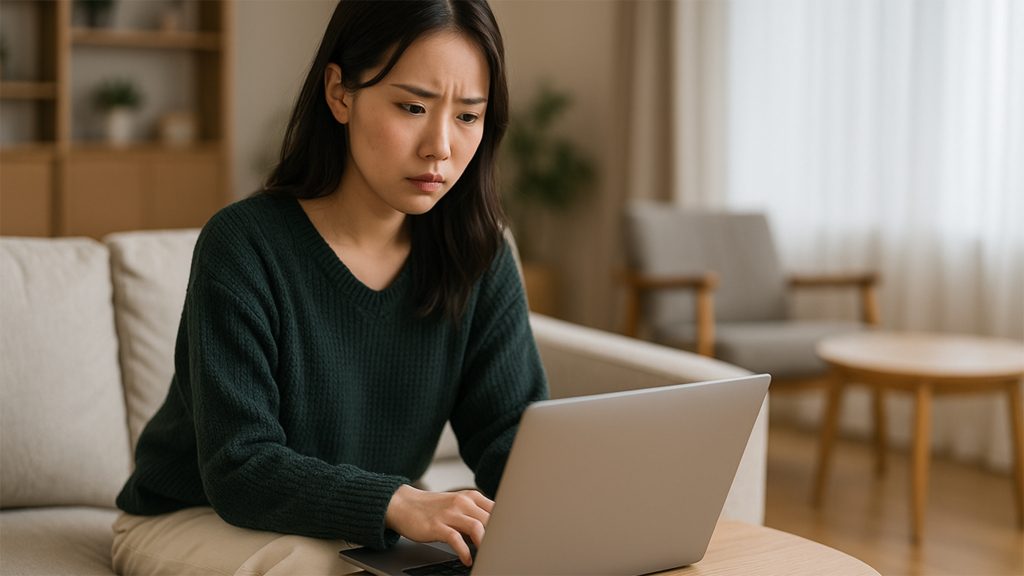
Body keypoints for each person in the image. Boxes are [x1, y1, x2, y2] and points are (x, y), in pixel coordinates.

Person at [110, 1, 548, 574]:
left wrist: (556, 513)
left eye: (468, 116)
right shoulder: (244, 245)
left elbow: (508, 431)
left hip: (366, 521)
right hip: (198, 514)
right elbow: (239, 466)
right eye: (413, 106)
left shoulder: (478, 252)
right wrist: (395, 501)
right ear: (340, 92)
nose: (440, 146)